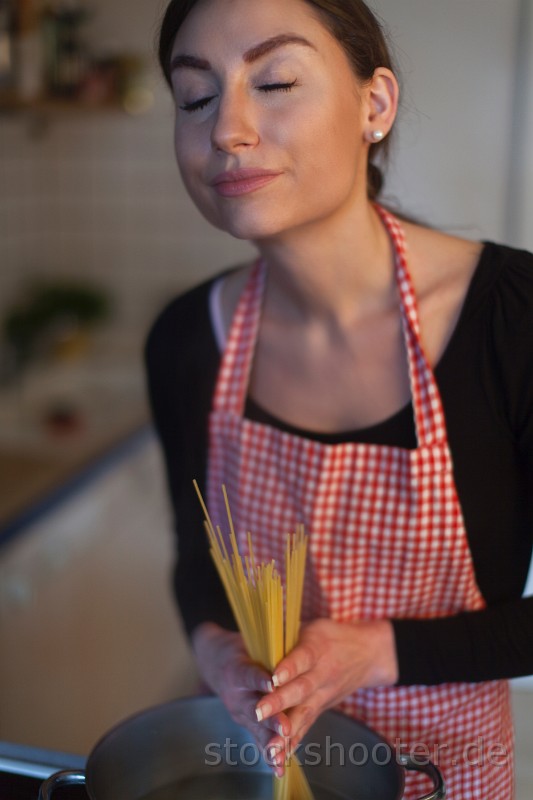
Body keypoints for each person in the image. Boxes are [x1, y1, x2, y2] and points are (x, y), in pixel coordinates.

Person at [145, 1, 533, 797]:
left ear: (374, 105)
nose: (227, 129)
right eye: (195, 97)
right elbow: (195, 563)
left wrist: (373, 650)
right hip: (249, 771)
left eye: (276, 79)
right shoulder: (186, 340)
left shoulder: (512, 319)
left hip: (445, 777)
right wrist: (216, 650)